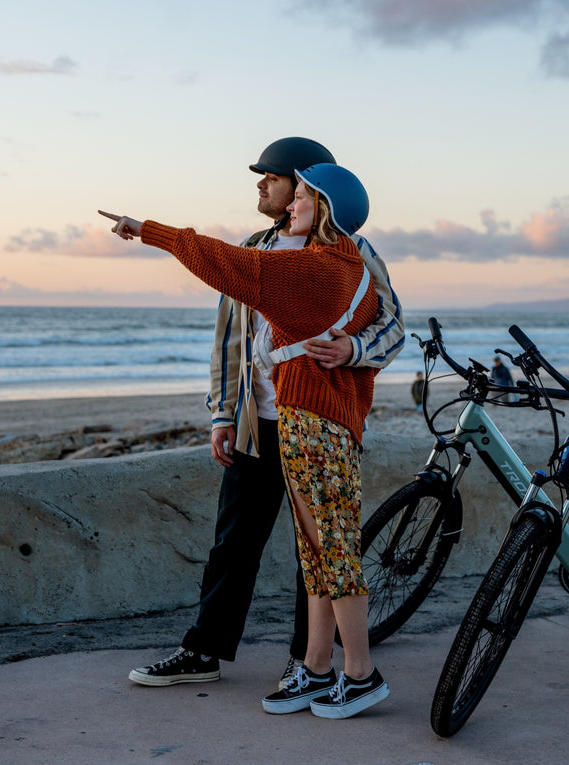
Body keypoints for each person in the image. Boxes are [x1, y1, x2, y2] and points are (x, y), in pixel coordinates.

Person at [102, 162, 390, 718]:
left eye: (298, 191)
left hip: (311, 417)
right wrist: (223, 412)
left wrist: (149, 230)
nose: (285, 200)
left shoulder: (318, 268)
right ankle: (315, 667)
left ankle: (359, 673)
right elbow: (233, 328)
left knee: (330, 550)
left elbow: (229, 267)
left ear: (323, 205)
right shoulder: (321, 261)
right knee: (308, 548)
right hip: (288, 414)